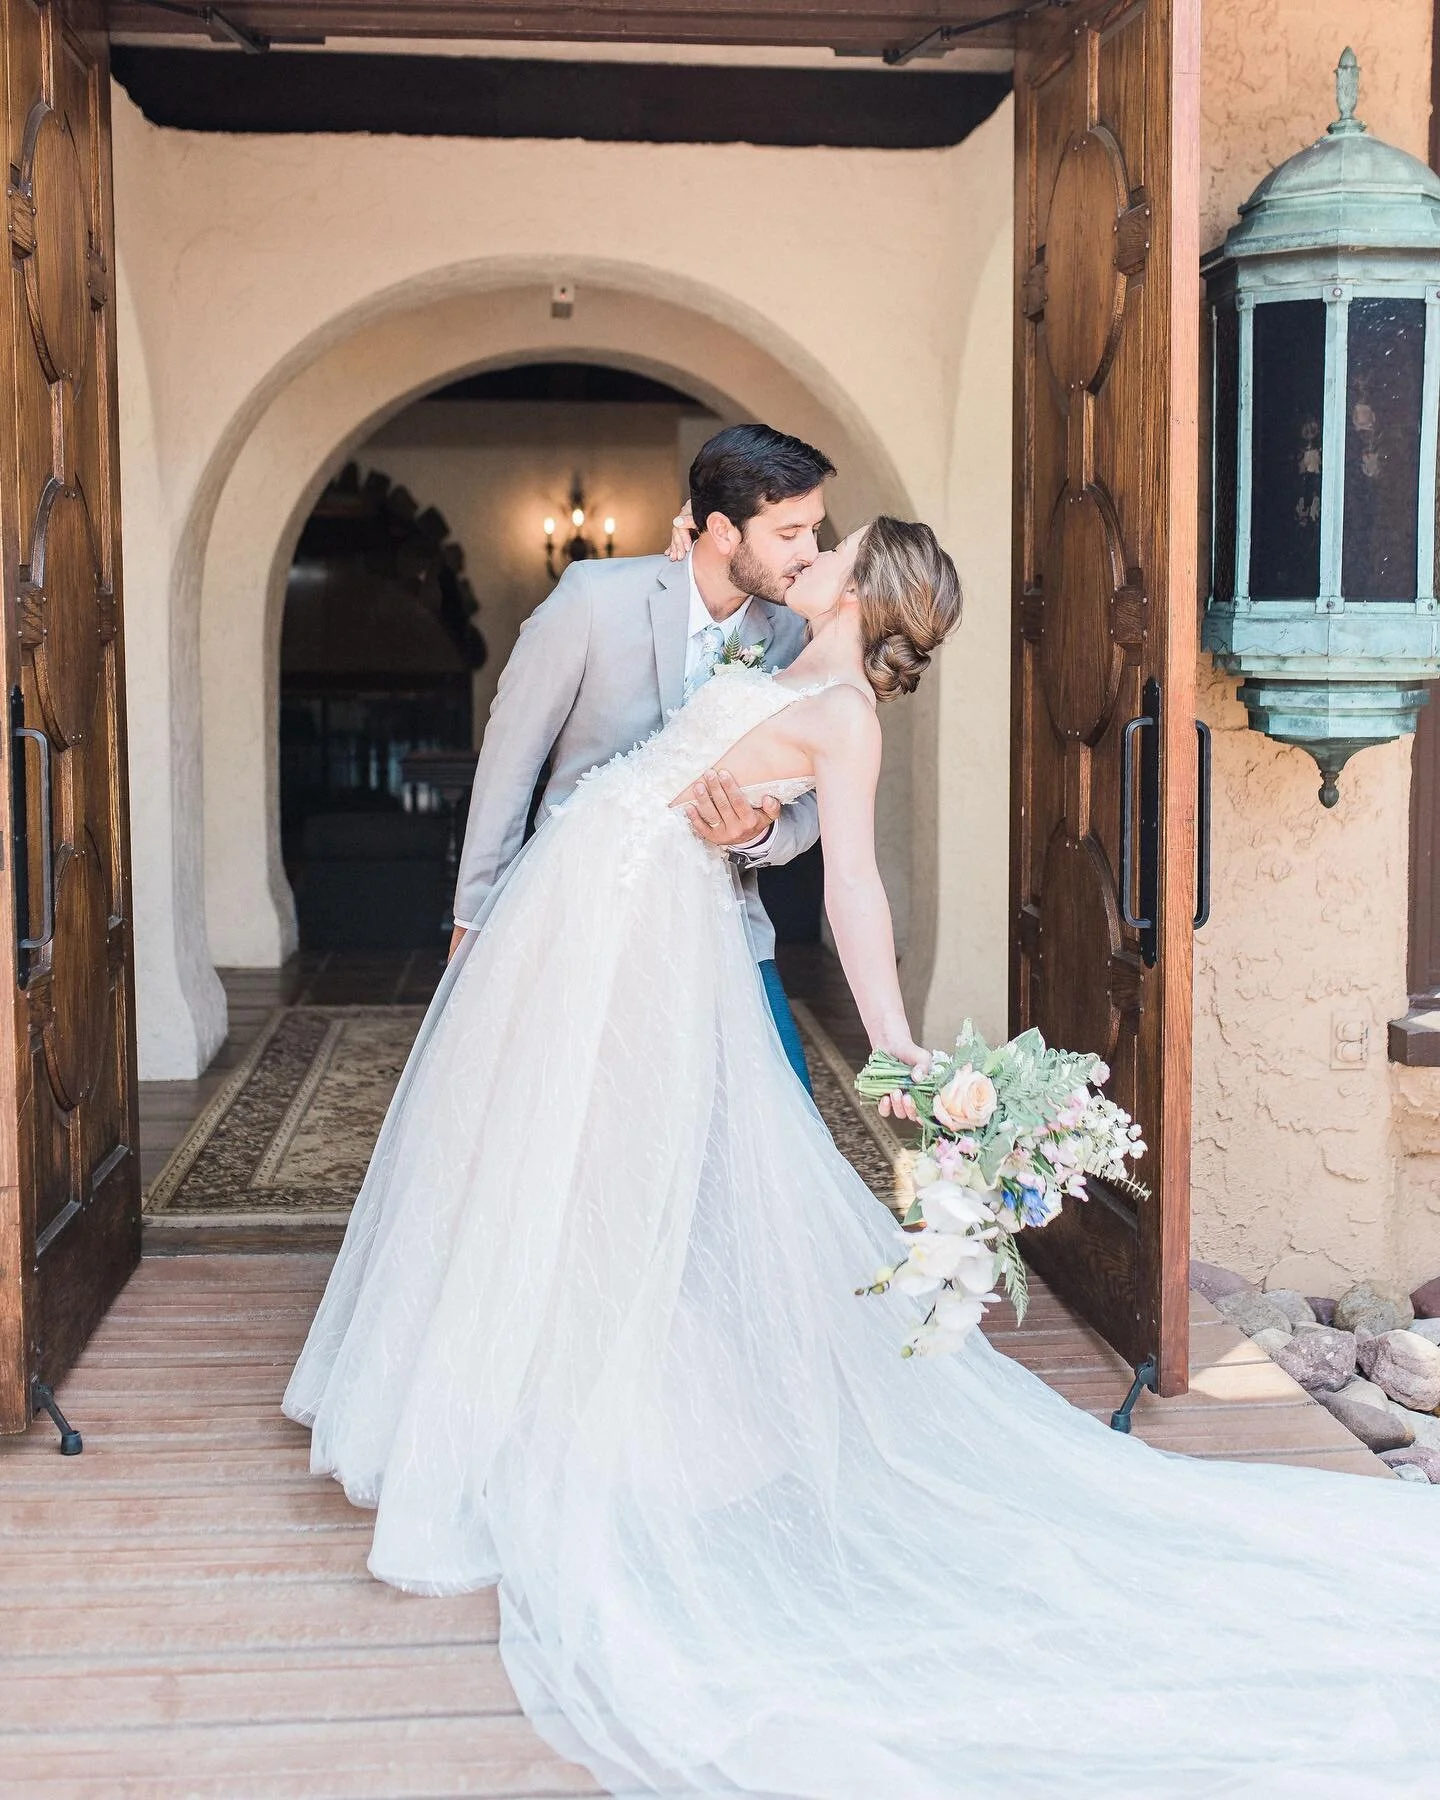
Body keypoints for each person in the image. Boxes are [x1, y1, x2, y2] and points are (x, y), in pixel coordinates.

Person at [286, 507, 1440, 1799]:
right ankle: (524, 1399)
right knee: (539, 1160)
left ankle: (568, 1422)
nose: (812, 551)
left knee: (598, 1169)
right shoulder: (780, 658)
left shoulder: (845, 715)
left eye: (831, 548)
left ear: (862, 588)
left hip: (637, 931)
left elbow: (851, 888)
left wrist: (896, 1050)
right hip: (594, 901)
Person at [446, 422, 836, 1090]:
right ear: (722, 530)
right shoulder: (592, 598)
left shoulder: (794, 632)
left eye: (815, 530)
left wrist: (760, 834)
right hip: (580, 915)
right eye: (789, 533)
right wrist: (475, 917)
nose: (811, 553)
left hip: (724, 925)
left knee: (778, 1114)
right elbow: (510, 761)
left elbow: (820, 790)